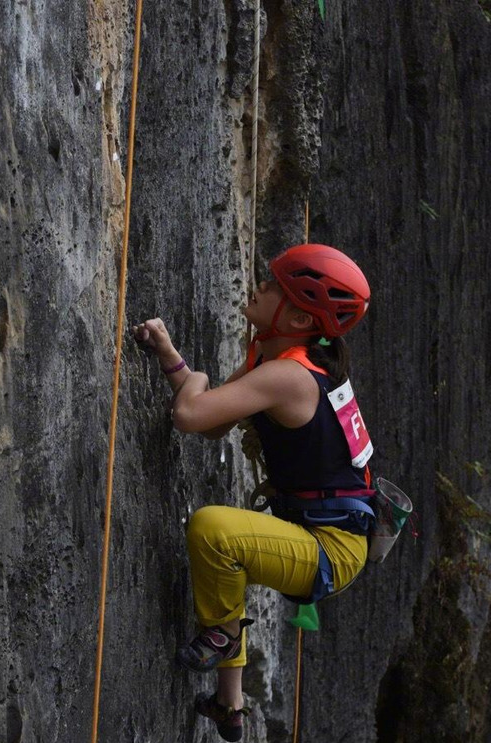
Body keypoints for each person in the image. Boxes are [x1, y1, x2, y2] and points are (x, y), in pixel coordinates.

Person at [133, 243, 375, 742]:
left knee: (213, 529)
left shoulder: (288, 375)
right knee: (226, 558)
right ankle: (230, 704)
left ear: (302, 318)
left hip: (331, 548)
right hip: (321, 531)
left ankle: (221, 640)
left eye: (276, 287)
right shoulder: (284, 359)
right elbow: (213, 424)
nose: (261, 287)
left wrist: (194, 379)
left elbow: (190, 414)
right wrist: (171, 356)